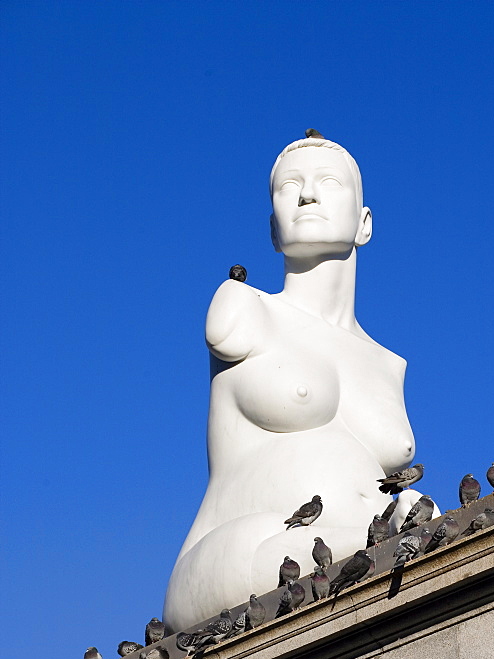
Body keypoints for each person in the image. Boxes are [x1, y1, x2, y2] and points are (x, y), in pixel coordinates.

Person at [163, 136, 421, 630]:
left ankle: (373, 537)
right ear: (272, 229)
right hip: (233, 559)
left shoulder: (389, 365)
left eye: (328, 183)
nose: (307, 196)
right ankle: (369, 536)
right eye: (290, 187)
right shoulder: (243, 309)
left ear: (364, 224)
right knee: (273, 553)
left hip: (354, 563)